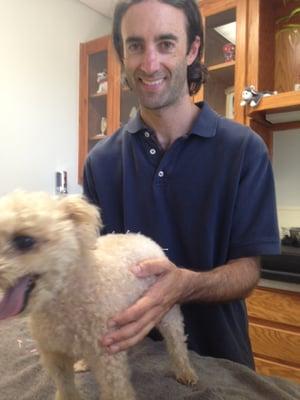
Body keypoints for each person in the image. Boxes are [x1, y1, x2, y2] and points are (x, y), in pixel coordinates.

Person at [83, 0, 280, 369]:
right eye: (136, 45)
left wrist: (184, 284)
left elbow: (247, 271)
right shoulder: (101, 162)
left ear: (192, 50)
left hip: (222, 365)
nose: (150, 63)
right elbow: (92, 268)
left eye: (166, 43)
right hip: (127, 364)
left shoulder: (244, 150)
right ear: (122, 55)